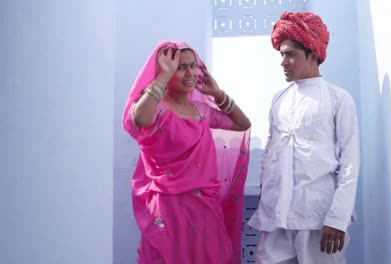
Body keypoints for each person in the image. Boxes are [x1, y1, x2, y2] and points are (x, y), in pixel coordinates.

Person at [122, 40, 251, 264]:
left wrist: (218, 94)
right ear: (164, 69)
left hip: (204, 209)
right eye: (181, 67)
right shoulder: (158, 108)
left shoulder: (201, 111)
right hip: (169, 208)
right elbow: (140, 119)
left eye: (192, 66)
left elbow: (242, 123)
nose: (190, 73)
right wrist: (163, 76)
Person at [247, 11, 360, 264]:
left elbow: (350, 162)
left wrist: (337, 219)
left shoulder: (338, 98)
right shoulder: (279, 99)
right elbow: (270, 155)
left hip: (318, 219)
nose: (283, 62)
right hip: (277, 219)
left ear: (313, 55)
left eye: (291, 54)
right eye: (282, 54)